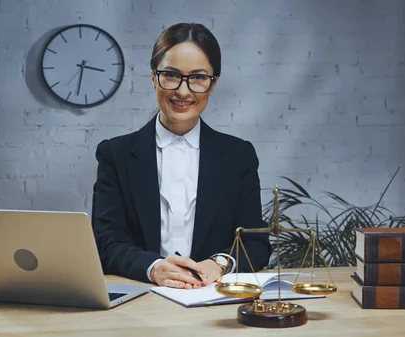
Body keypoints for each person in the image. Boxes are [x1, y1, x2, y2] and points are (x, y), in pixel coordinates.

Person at [92, 22, 272, 289]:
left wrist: (219, 263)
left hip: (213, 298)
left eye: (198, 77)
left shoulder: (238, 155)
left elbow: (255, 243)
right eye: (171, 75)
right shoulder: (115, 154)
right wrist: (154, 268)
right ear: (154, 78)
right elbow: (107, 242)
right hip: (142, 298)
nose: (183, 91)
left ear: (213, 84)